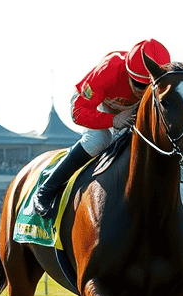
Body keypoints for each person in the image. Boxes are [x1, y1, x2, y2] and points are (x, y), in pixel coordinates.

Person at [33, 39, 171, 218]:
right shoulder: (108, 69)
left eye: (149, 86)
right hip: (98, 103)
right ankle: (47, 189)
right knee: (99, 140)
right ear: (128, 72)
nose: (142, 92)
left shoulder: (164, 78)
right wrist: (112, 120)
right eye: (139, 85)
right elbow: (79, 112)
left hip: (131, 110)